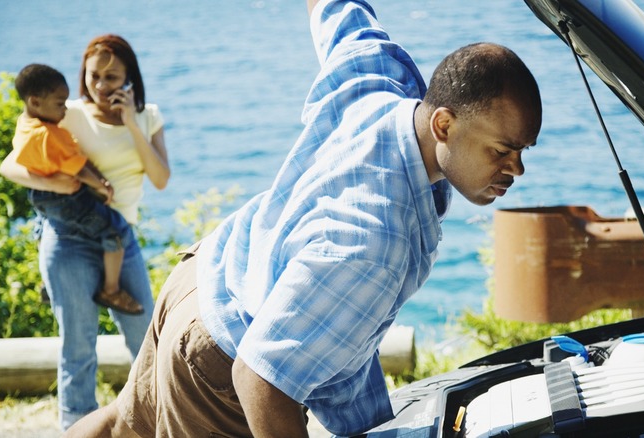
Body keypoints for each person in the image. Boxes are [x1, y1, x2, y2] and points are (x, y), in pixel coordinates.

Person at [68, 0, 541, 436]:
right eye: (503, 150)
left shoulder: (378, 76)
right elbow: (259, 378)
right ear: (444, 125)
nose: (516, 168)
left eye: (522, 151)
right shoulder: (377, 241)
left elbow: (335, 8)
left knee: (120, 425)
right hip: (220, 361)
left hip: (205, 274)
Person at [0, 34, 170, 431]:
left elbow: (161, 178)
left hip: (120, 238)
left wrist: (130, 122)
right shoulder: (68, 112)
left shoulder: (148, 116)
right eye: (94, 75)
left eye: (112, 76)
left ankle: (158, 420)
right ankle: (76, 428)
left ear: (130, 77)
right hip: (68, 239)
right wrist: (59, 184)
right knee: (77, 347)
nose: (101, 84)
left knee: (146, 339)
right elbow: (11, 164)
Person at [10, 63, 143, 315]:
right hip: (64, 198)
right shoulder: (50, 135)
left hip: (40, 198)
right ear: (36, 102)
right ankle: (111, 290)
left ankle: (48, 283)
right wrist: (101, 185)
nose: (65, 109)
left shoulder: (24, 124)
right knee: (115, 231)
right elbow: (78, 169)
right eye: (60, 104)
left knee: (42, 226)